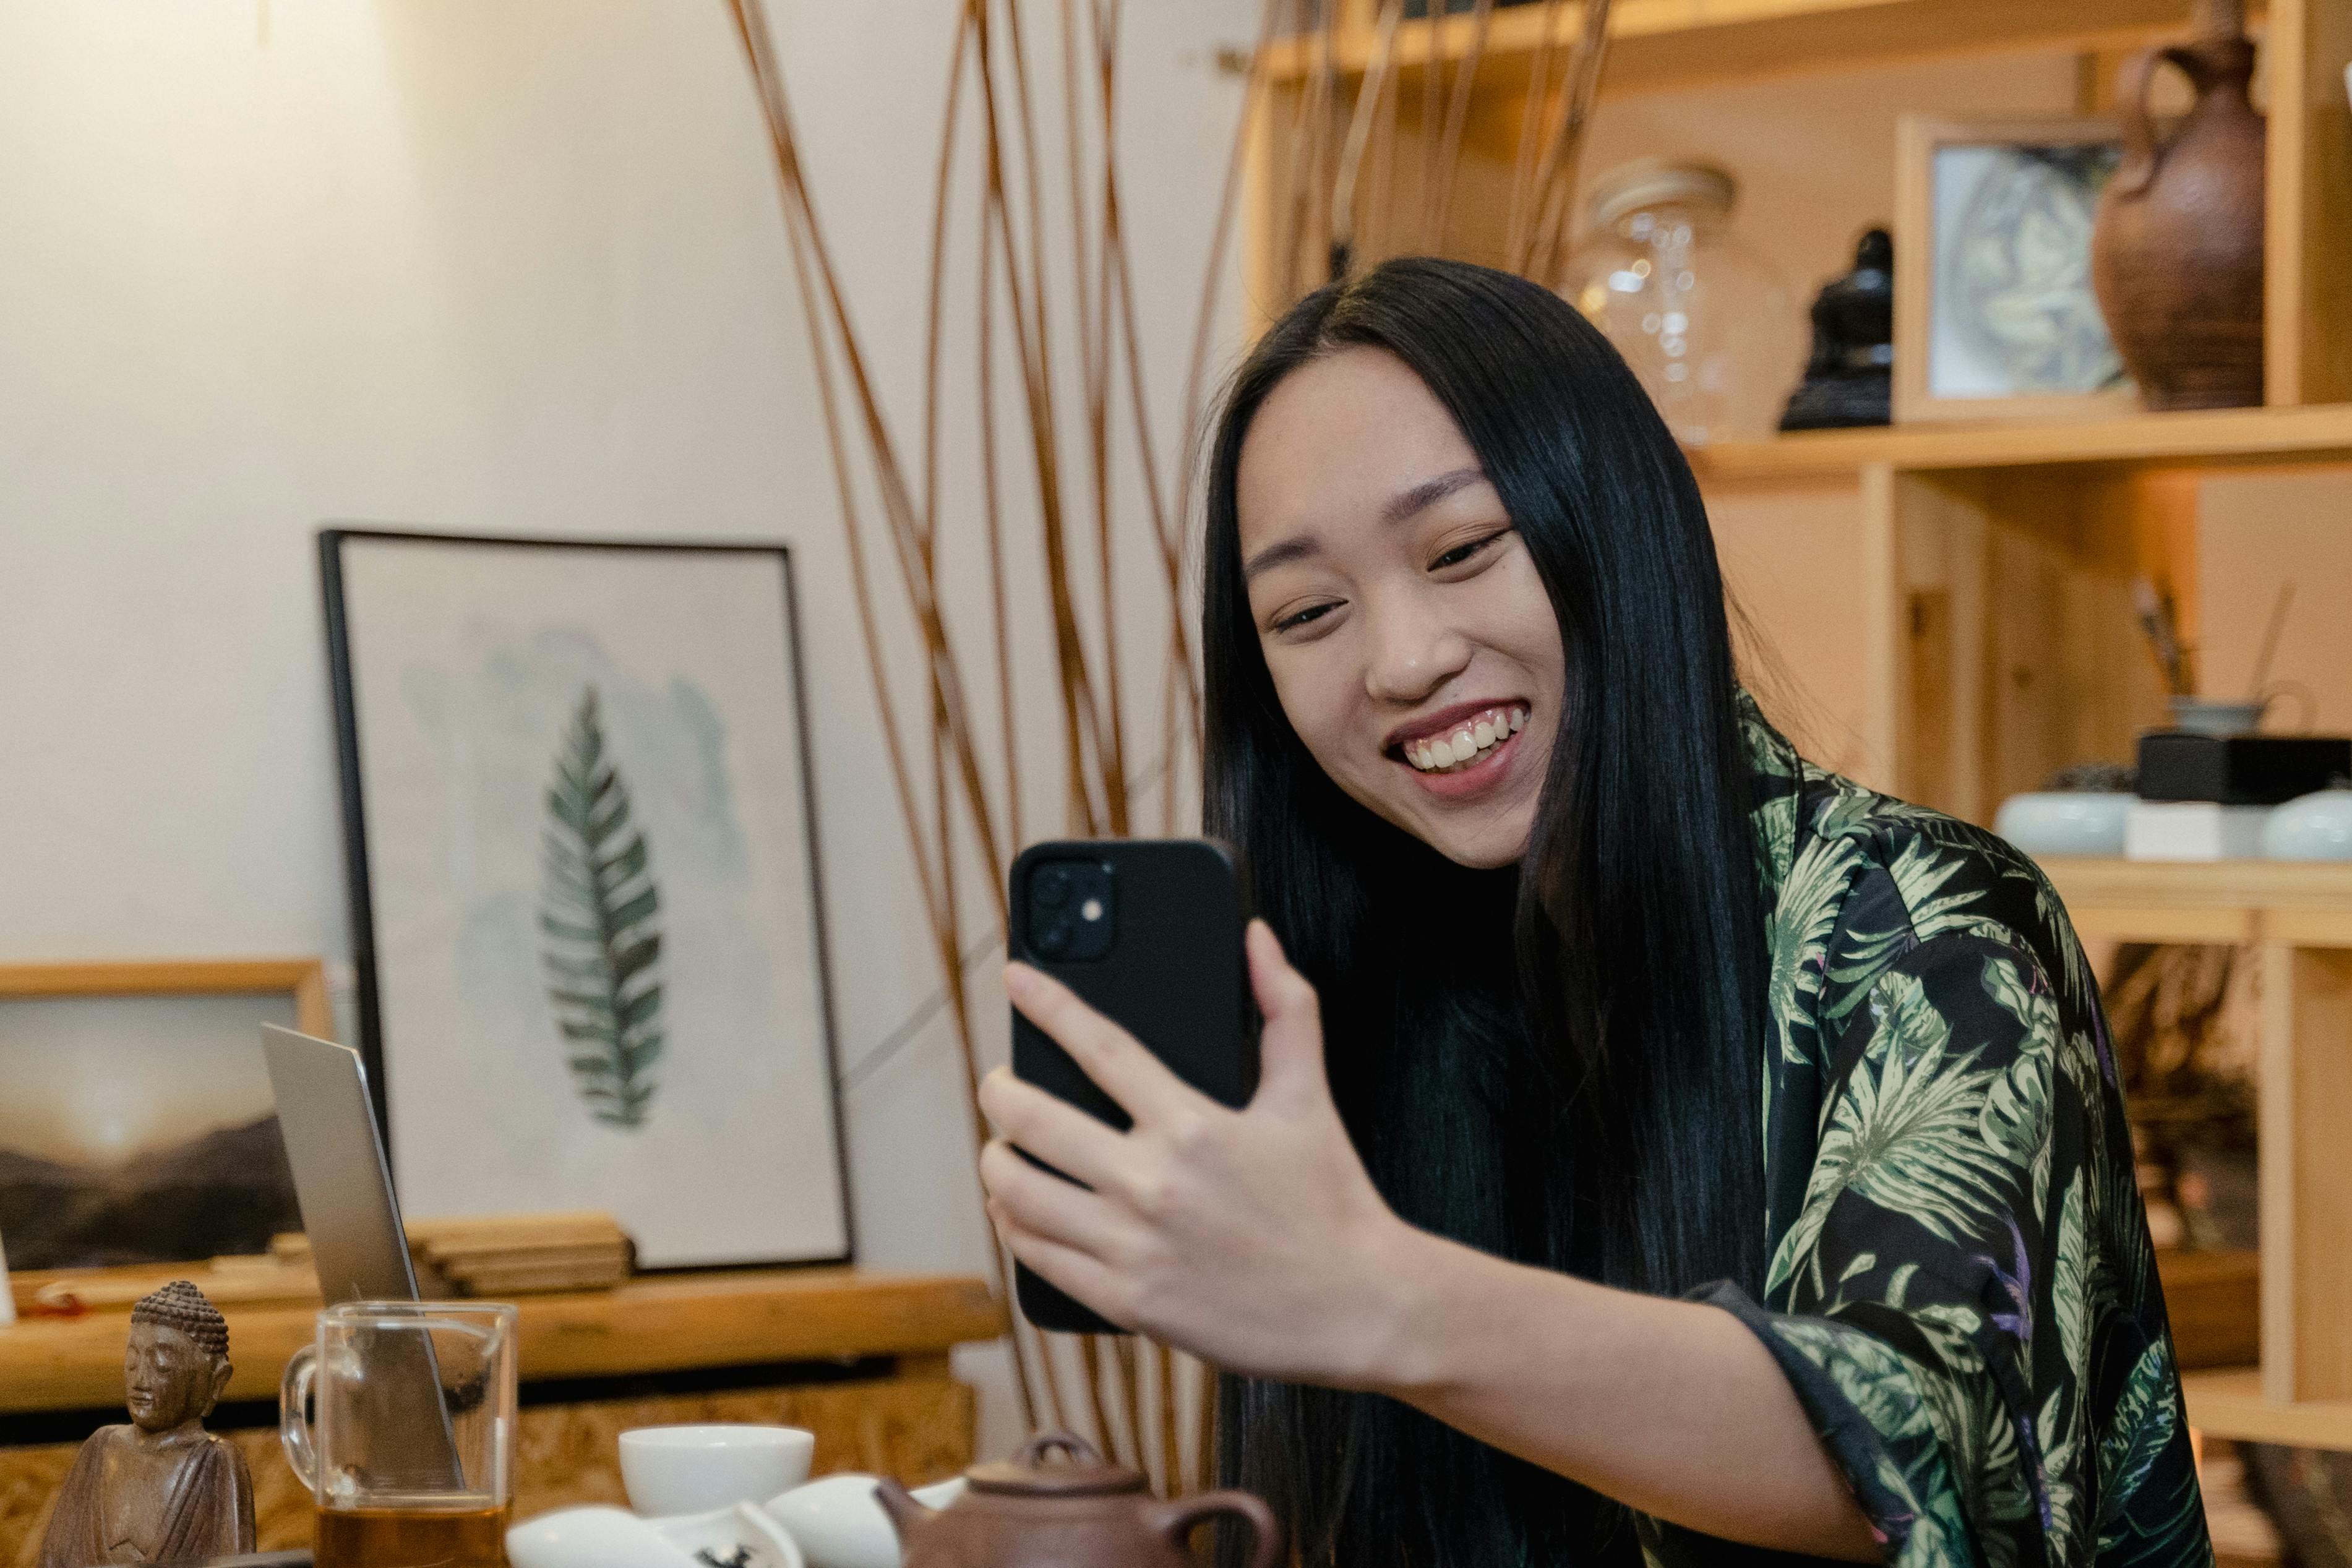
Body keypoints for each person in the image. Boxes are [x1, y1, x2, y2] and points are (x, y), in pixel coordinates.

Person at [976, 258, 2210, 1568]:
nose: (1401, 660)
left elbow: (1912, 1449)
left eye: (1460, 551)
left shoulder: (1919, 923)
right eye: (1307, 611)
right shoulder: (1340, 995)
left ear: (1615, 527)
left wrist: (1367, 1289)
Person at [39, 1280, 257, 1567]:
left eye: (162, 1366)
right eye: (133, 1361)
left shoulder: (217, 1462)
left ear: (214, 1382)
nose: (141, 1381)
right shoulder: (100, 1447)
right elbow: (53, 1558)